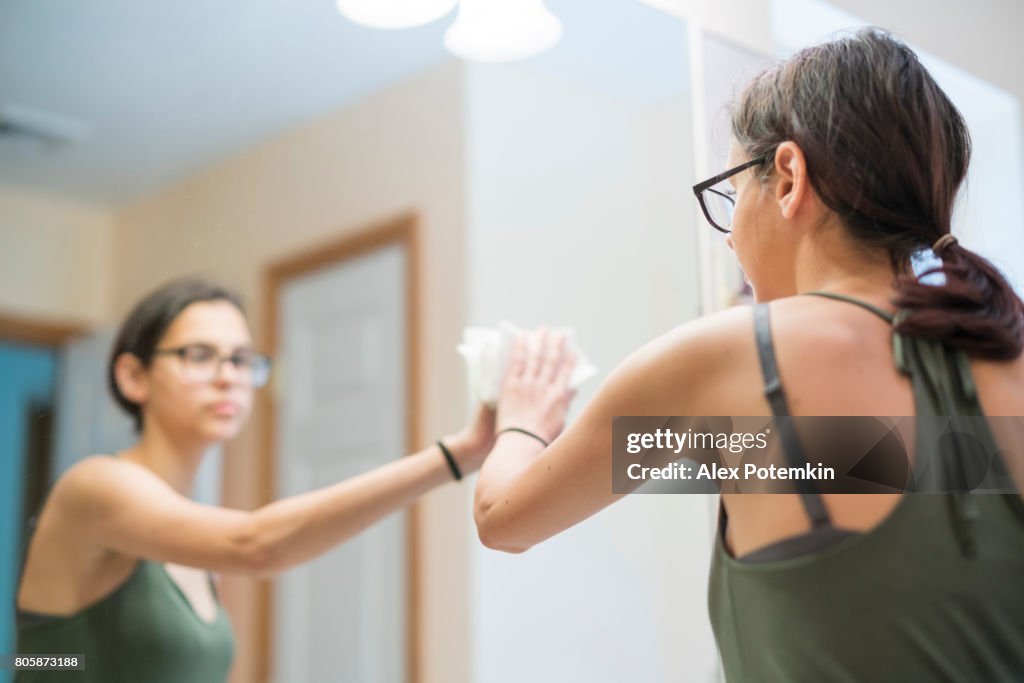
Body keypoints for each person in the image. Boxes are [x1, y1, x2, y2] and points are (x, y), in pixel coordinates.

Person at [475, 28, 1024, 681]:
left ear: (788, 176)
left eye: (733, 193)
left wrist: (522, 417)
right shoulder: (1004, 353)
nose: (731, 237)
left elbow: (504, 519)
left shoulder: (730, 361)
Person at [14, 278, 499, 682]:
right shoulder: (96, 487)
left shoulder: (187, 523)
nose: (230, 376)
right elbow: (257, 545)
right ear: (133, 376)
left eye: (243, 360)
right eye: (199, 355)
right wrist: (457, 455)